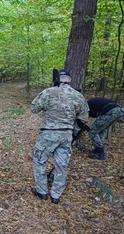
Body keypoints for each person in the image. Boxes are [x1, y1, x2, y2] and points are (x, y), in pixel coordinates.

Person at [31, 70, 89, 204]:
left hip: (48, 134)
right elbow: (84, 117)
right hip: (66, 135)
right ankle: (56, 195)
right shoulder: (78, 95)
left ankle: (42, 191)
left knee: (40, 160)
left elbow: (34, 108)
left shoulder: (48, 92)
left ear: (57, 79)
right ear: (69, 80)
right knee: (62, 165)